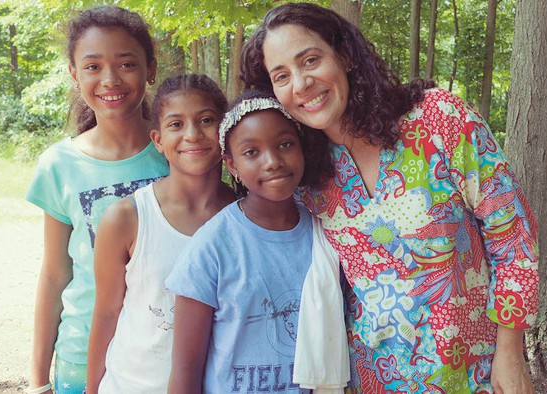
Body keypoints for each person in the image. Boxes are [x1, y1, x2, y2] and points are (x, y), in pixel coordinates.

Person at [241, 3, 540, 394]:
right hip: (372, 378)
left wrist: (510, 353)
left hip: (476, 373)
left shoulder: (439, 120)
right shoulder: (305, 176)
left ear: (344, 56)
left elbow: (513, 235)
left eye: (310, 60)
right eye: (282, 76)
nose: (300, 84)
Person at [24, 6, 168, 394]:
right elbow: (55, 274)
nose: (109, 79)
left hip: (164, 358)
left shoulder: (181, 154)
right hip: (81, 361)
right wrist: (38, 381)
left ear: (150, 69)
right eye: (92, 67)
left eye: (126, 64)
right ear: (74, 74)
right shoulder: (59, 164)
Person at [165, 90, 329, 393]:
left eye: (285, 145)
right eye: (251, 152)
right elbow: (185, 371)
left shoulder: (325, 233)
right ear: (232, 166)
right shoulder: (212, 246)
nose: (272, 162)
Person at [85, 74, 235, 394]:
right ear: (158, 140)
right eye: (176, 125)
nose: (192, 134)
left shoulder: (246, 216)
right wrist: (92, 388)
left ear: (225, 130)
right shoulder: (128, 218)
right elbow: (107, 311)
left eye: (206, 120)